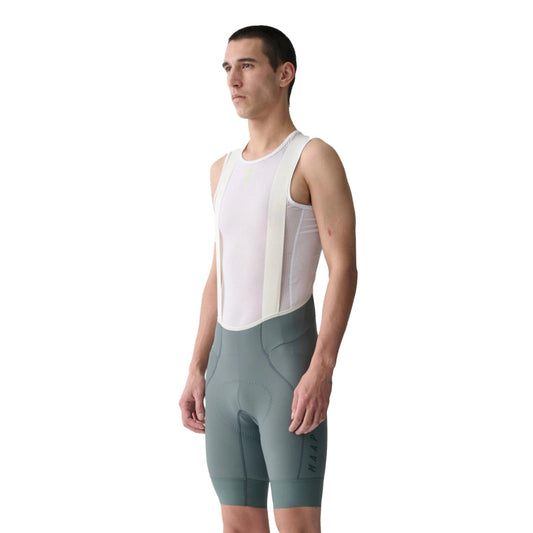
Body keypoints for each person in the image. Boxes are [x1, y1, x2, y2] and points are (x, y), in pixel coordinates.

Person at [179, 25, 358, 533]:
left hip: (287, 374)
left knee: (298, 526)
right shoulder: (221, 171)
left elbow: (344, 268)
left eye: (247, 65)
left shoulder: (313, 157)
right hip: (223, 374)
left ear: (285, 74)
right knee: (237, 527)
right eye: (227, 68)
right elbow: (219, 273)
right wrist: (196, 367)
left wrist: (322, 367)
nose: (233, 79)